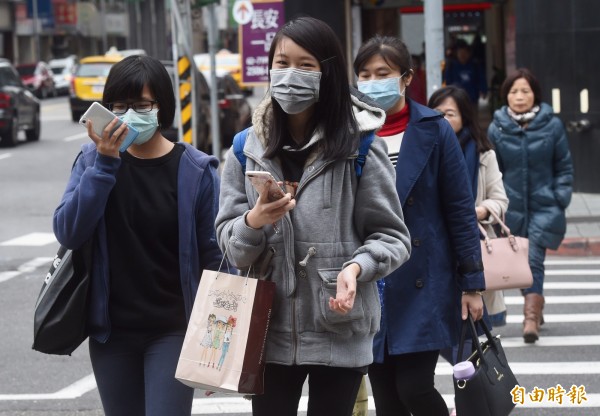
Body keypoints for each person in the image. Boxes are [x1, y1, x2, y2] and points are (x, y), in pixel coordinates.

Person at [215, 17, 411, 416]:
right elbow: (232, 246)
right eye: (282, 62)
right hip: (266, 328)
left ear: (329, 72)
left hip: (339, 323)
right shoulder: (244, 148)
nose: (290, 74)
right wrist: (254, 221)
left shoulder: (360, 144)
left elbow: (393, 236)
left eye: (305, 65)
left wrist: (356, 268)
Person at [53, 55, 223, 416]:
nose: (129, 114)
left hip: (174, 331)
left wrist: (216, 349)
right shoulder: (91, 160)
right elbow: (69, 231)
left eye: (141, 105)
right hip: (111, 334)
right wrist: (104, 164)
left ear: (161, 106)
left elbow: (216, 261)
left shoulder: (196, 171)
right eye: (119, 106)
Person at [353, 35, 485, 416]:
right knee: (388, 399)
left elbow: (459, 209)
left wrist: (472, 283)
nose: (372, 81)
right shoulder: (351, 131)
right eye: (364, 74)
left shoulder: (434, 128)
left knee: (414, 388)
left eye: (383, 73)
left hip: (423, 279)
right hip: (369, 278)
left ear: (406, 77)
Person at [488, 67, 573, 344]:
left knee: (534, 258)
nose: (520, 96)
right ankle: (536, 303)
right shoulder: (497, 127)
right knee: (521, 262)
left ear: (535, 94)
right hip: (511, 207)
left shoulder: (552, 125)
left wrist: (561, 195)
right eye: (514, 91)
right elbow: (492, 169)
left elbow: (564, 165)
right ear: (506, 96)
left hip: (545, 204)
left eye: (525, 91)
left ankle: (530, 318)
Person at [428, 85, 510, 329]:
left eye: (450, 114)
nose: (443, 119)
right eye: (437, 113)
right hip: (433, 251)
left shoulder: (484, 154)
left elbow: (500, 199)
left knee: (470, 340)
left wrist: (480, 210)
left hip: (471, 250)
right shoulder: (420, 153)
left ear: (465, 116)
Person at [444, 39, 488, 105]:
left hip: (472, 98)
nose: (462, 55)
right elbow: (448, 82)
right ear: (457, 54)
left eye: (465, 53)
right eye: (460, 53)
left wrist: (483, 91)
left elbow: (481, 79)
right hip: (456, 99)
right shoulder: (451, 66)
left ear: (469, 53)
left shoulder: (475, 65)